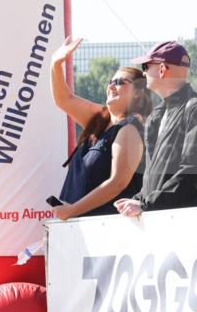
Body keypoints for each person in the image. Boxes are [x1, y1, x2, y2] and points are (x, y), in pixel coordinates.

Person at [49, 36, 151, 219]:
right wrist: (55, 64)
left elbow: (118, 183)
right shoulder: (100, 119)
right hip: (77, 227)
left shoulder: (130, 129)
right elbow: (64, 99)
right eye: (110, 81)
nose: (112, 85)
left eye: (120, 82)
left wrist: (73, 210)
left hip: (106, 231)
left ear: (137, 93)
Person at [115, 40, 197, 216]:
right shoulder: (156, 116)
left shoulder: (193, 109)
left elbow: (192, 174)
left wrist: (146, 205)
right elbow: (153, 178)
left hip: (184, 228)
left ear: (162, 70)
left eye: (145, 66)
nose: (143, 73)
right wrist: (139, 199)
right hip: (159, 224)